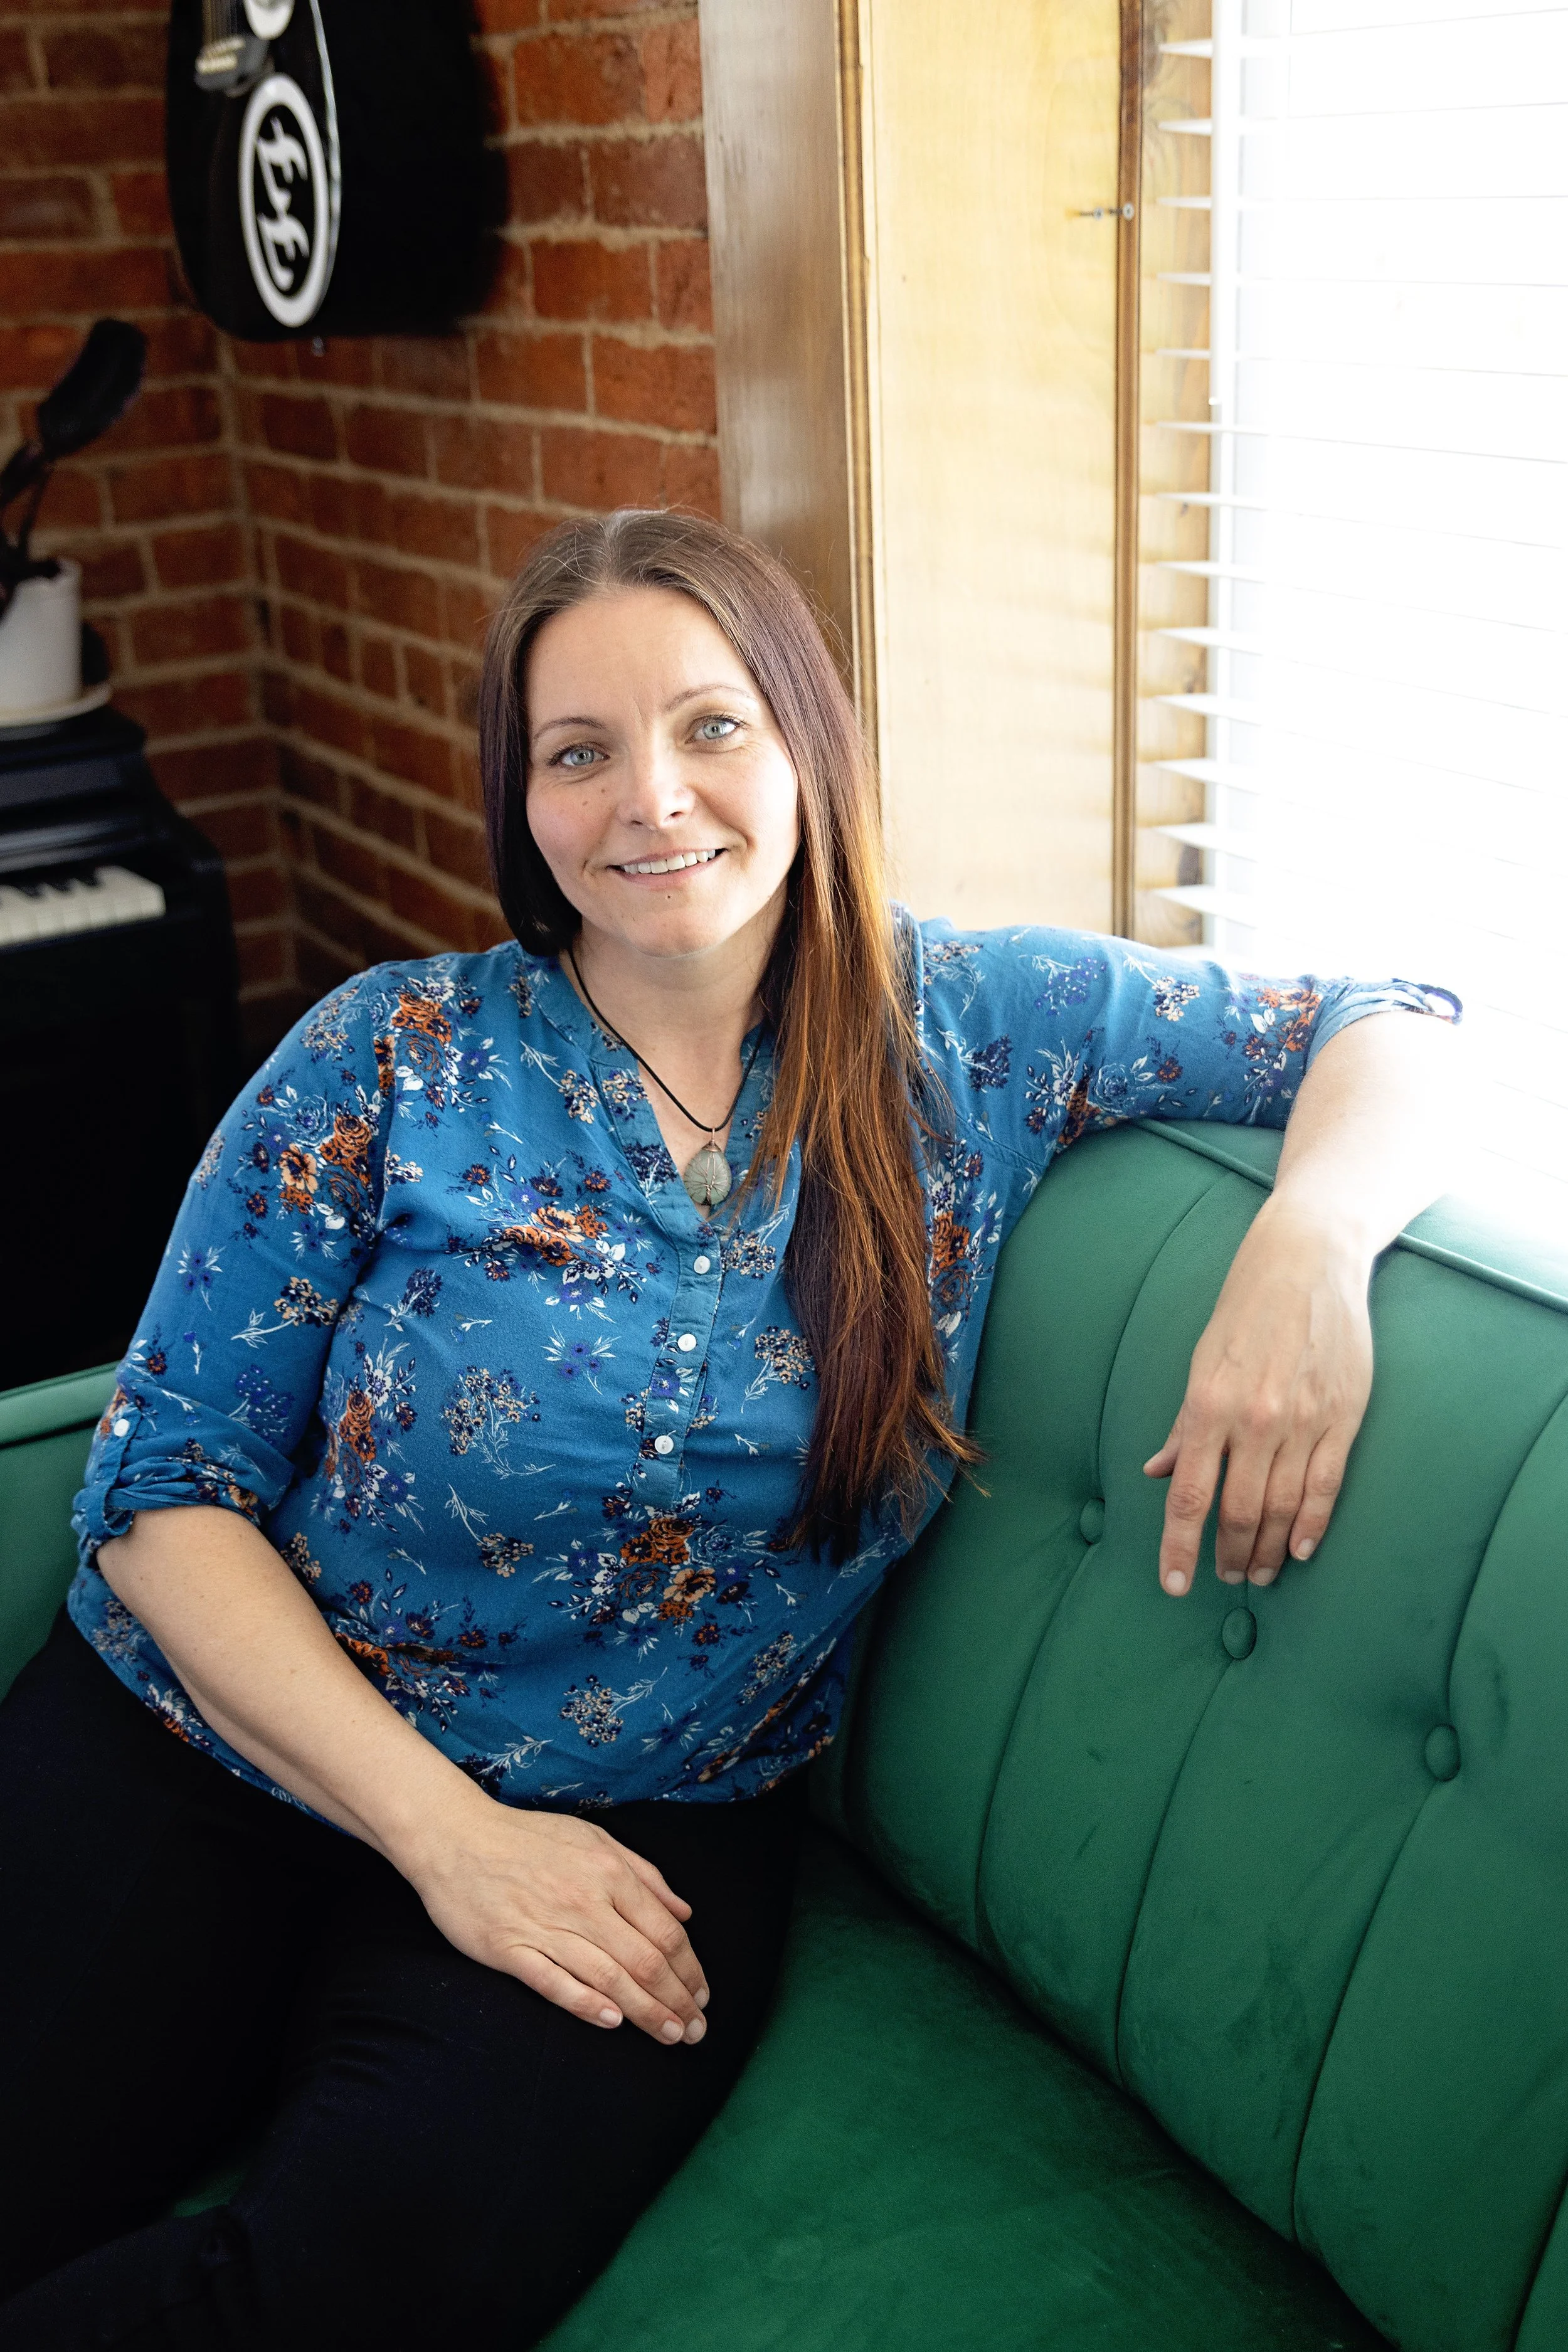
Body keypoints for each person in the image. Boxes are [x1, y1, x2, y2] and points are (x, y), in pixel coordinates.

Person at [0, 509, 1458, 2348]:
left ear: (802, 743)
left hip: (643, 1819)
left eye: (707, 726)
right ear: (519, 801)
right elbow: (162, 1484)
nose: (650, 801)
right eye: (576, 751)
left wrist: (1311, 1245)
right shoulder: (385, 1053)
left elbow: (1388, 1018)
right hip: (202, 1745)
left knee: (367, 2284)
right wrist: (448, 1838)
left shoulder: (976, 1030)